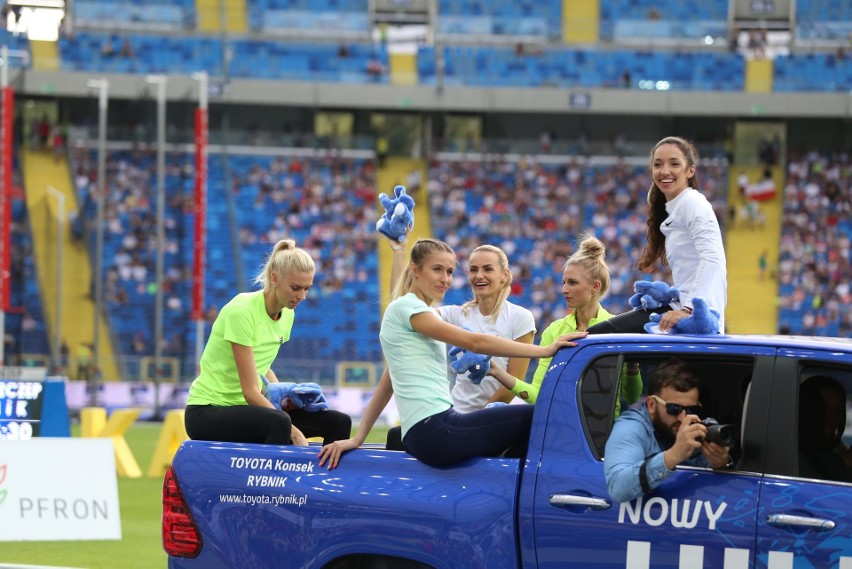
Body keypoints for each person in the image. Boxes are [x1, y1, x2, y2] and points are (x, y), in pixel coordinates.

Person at [318, 238, 586, 469]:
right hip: (437, 429)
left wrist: (359, 437)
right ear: (415, 270)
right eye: (437, 270)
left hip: (427, 431)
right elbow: (477, 342)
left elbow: (388, 380)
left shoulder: (413, 313)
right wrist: (546, 349)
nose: (445, 279)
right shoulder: (410, 309)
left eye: (449, 271)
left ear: (505, 275)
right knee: (542, 415)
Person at [185, 239, 351, 446]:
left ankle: (322, 479)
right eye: (295, 288)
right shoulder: (242, 311)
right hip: (207, 411)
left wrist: (285, 396)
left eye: (307, 289)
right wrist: (293, 431)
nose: (302, 296)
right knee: (280, 423)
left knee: (338, 421)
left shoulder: (288, 314)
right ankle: (270, 478)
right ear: (275, 278)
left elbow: (262, 364)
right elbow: (250, 392)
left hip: (248, 410)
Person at [487, 235, 641, 416]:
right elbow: (538, 394)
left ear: (595, 287)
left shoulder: (617, 330)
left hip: (603, 434)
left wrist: (632, 366)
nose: (564, 289)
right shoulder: (554, 331)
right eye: (564, 282)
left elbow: (631, 397)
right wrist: (497, 372)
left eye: (572, 283)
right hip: (561, 428)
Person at [587, 136, 727, 334]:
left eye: (674, 164)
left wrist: (689, 310)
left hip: (695, 316)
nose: (665, 171)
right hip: (682, 308)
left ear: (690, 170)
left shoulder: (692, 202)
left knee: (597, 337)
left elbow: (713, 259)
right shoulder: (674, 206)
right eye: (658, 164)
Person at [604, 358, 731, 503]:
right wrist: (673, 455)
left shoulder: (698, 428)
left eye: (691, 409)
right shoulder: (631, 427)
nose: (683, 417)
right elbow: (618, 488)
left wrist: (721, 464)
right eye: (674, 409)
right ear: (651, 405)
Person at [798, 375, 852, 482]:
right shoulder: (792, 446)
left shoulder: (834, 446)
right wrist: (843, 463)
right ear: (805, 408)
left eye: (838, 410)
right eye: (823, 407)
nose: (831, 415)